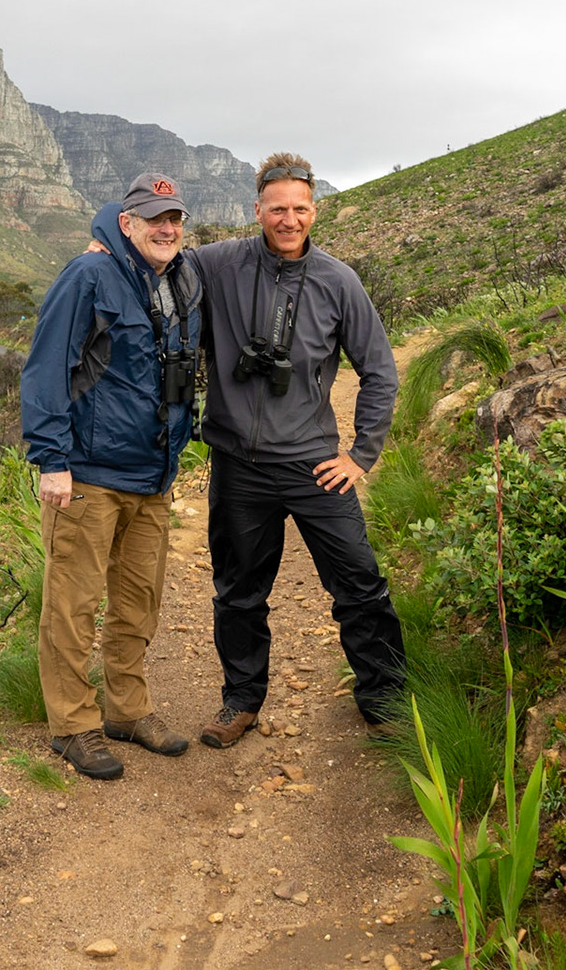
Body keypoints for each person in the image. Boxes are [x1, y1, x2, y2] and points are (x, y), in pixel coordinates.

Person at [188, 152, 405, 748]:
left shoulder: (339, 282)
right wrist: (110, 245)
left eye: (300, 209)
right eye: (277, 208)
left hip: (315, 465)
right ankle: (240, 701)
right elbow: (156, 261)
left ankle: (385, 702)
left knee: (360, 585)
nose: (289, 219)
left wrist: (360, 455)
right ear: (256, 208)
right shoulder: (218, 263)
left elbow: (379, 372)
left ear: (315, 210)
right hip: (238, 465)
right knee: (238, 592)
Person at [20, 173, 204, 779]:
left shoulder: (179, 277)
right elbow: (46, 369)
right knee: (72, 605)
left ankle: (128, 709)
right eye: (154, 219)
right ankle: (73, 724)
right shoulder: (88, 276)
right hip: (90, 477)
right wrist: (52, 460)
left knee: (137, 602)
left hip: (153, 475)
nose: (166, 228)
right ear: (126, 223)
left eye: (173, 218)